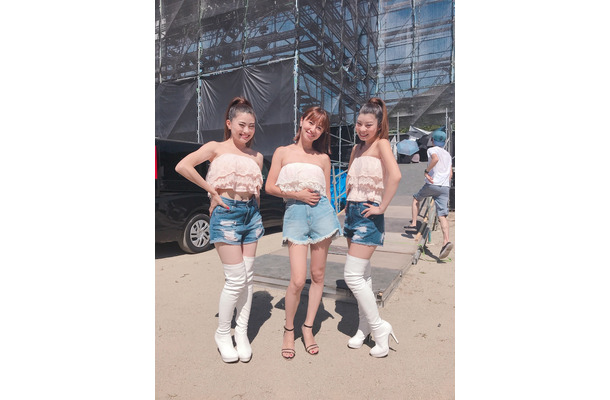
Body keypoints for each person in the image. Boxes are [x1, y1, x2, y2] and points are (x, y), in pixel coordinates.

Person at [175, 97, 264, 363]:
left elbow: (255, 190)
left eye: (251, 126)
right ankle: (223, 333)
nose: (246, 131)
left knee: (248, 278)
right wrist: (211, 191)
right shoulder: (215, 147)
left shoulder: (257, 157)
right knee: (236, 279)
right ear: (229, 123)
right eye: (241, 125)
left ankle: (242, 332)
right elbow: (183, 166)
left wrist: (255, 212)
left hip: (251, 215)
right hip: (226, 213)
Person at [265, 106, 341, 360]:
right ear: (301, 121)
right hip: (295, 213)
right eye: (310, 122)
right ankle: (289, 330)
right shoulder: (283, 152)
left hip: (322, 215)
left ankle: (307, 328)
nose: (313, 129)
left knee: (318, 276)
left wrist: (332, 214)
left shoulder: (323, 158)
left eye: (319, 127)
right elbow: (270, 187)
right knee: (297, 280)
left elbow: (327, 193)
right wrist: (297, 194)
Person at [342, 97, 402, 358]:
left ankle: (379, 327)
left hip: (369, 213)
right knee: (363, 276)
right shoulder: (356, 149)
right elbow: (350, 180)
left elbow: (396, 175)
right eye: (359, 123)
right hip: (352, 213)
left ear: (378, 125)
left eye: (368, 124)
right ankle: (363, 326)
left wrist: (382, 207)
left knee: (352, 276)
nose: (362, 129)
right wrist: (346, 205)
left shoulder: (381, 144)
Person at [405, 129, 453, 259]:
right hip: (445, 186)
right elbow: (450, 174)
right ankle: (446, 241)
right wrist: (444, 182)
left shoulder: (432, 150)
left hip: (432, 183)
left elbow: (435, 159)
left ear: (432, 140)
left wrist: (427, 171)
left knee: (416, 199)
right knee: (442, 215)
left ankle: (413, 223)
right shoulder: (448, 154)